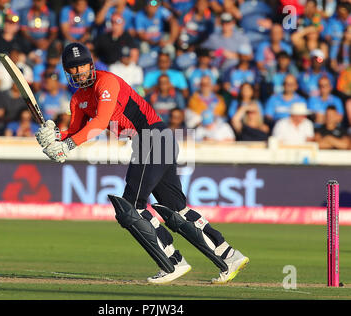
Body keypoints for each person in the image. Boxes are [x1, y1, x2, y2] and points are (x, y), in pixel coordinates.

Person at [34, 42, 249, 284]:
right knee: (176, 209)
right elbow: (76, 131)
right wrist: (54, 137)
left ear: (91, 64)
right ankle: (230, 255)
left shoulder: (107, 82)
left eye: (82, 65)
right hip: (151, 143)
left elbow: (100, 121)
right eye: (73, 68)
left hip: (153, 138)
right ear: (67, 72)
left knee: (131, 207)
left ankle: (173, 263)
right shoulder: (77, 100)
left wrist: (67, 146)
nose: (79, 71)